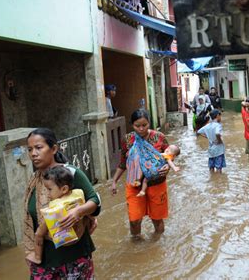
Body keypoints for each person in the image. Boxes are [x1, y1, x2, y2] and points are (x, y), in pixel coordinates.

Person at [24, 128, 100, 279]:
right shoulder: (35, 181)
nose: (33, 153)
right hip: (44, 259)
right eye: (30, 149)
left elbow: (95, 201)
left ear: (53, 149)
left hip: (73, 256)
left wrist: (78, 212)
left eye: (39, 148)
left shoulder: (69, 174)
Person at [111, 108, 171, 238]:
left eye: (144, 125)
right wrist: (114, 181)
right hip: (135, 185)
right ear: (132, 125)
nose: (141, 129)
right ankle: (137, 244)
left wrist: (167, 167)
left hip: (157, 183)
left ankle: (157, 245)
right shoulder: (127, 140)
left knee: (157, 219)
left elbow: (169, 157)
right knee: (134, 220)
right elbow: (123, 163)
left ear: (149, 123)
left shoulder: (159, 137)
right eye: (137, 126)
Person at [26, 166, 90, 265]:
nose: (48, 193)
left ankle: (37, 257)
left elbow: (50, 217)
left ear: (64, 189)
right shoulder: (78, 193)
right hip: (78, 235)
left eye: (49, 189)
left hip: (63, 237)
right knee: (88, 218)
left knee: (39, 233)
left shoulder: (56, 203)